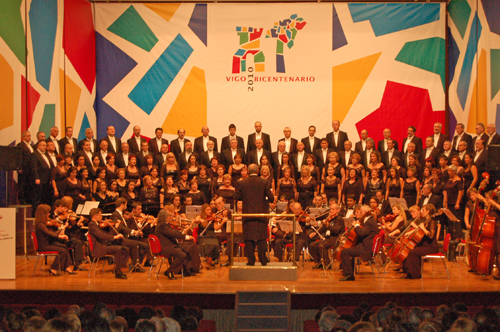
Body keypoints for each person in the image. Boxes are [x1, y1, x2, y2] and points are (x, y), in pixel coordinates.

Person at [235, 164, 274, 266]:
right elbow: (271, 198)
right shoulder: (264, 182)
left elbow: (237, 196)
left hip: (247, 213)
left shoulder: (242, 183)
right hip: (261, 213)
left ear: (248, 171)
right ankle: (263, 259)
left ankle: (251, 260)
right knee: (261, 237)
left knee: (248, 237)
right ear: (258, 171)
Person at [339, 205, 379, 281]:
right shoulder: (367, 220)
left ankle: (349, 275)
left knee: (345, 252)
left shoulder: (370, 221)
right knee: (348, 249)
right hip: (363, 245)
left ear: (364, 212)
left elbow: (361, 233)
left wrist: (357, 225)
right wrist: (347, 237)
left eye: (360, 212)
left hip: (366, 248)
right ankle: (348, 271)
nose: (359, 213)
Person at [87, 208, 129, 279]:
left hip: (103, 245)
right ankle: (118, 272)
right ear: (95, 216)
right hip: (98, 248)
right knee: (119, 249)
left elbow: (106, 234)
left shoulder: (96, 225)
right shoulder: (92, 225)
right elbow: (101, 235)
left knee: (125, 249)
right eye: (100, 215)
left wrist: (115, 227)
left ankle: (119, 268)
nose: (101, 217)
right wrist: (115, 237)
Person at [34, 204, 75, 276]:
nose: (49, 214)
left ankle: (67, 267)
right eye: (48, 212)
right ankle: (53, 268)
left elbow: (52, 233)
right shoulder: (40, 224)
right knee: (62, 250)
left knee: (64, 247)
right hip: (44, 246)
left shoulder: (43, 223)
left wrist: (61, 229)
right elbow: (49, 233)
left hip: (48, 244)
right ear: (43, 214)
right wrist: (60, 236)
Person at [402, 204, 439, 279]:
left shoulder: (432, 221)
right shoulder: (426, 221)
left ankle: (415, 275)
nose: (422, 212)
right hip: (425, 245)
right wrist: (410, 232)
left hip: (431, 246)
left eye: (423, 210)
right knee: (410, 249)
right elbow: (419, 230)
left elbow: (431, 235)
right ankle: (408, 272)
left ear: (428, 211)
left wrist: (423, 228)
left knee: (413, 252)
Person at [308, 202, 344, 269]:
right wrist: (315, 232)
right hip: (328, 238)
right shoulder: (329, 217)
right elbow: (323, 228)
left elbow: (336, 231)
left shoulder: (339, 219)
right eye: (330, 209)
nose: (330, 210)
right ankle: (319, 262)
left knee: (322, 246)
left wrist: (328, 225)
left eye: (333, 209)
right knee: (312, 245)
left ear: (338, 210)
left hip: (335, 238)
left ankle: (327, 264)